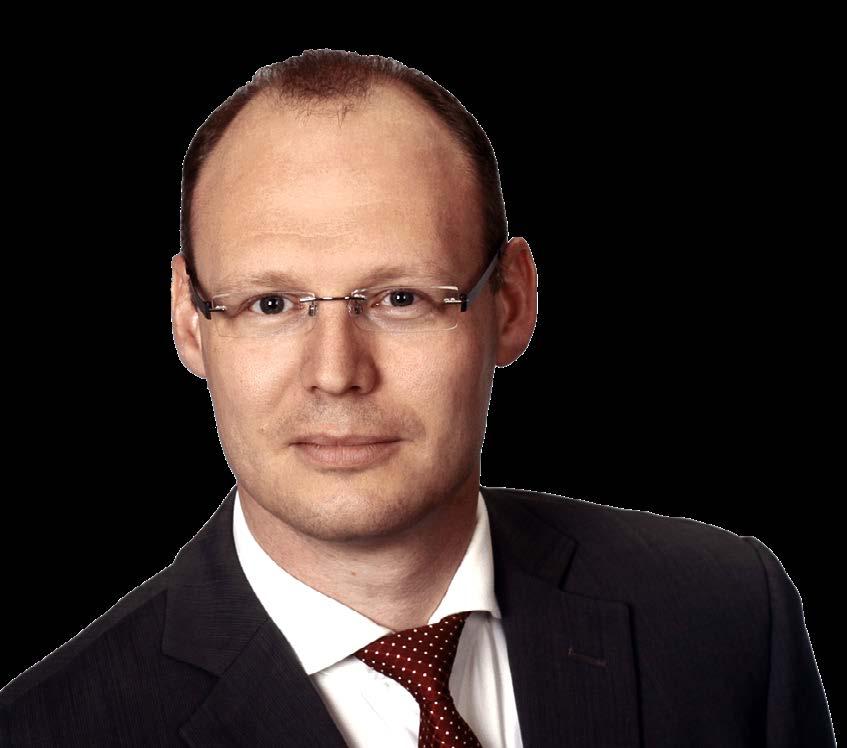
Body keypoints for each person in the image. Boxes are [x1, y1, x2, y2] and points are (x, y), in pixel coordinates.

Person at [0, 49, 835, 747]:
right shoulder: (47, 730)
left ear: (510, 302)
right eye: (270, 303)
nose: (335, 372)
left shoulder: (727, 613)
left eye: (400, 297)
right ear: (189, 321)